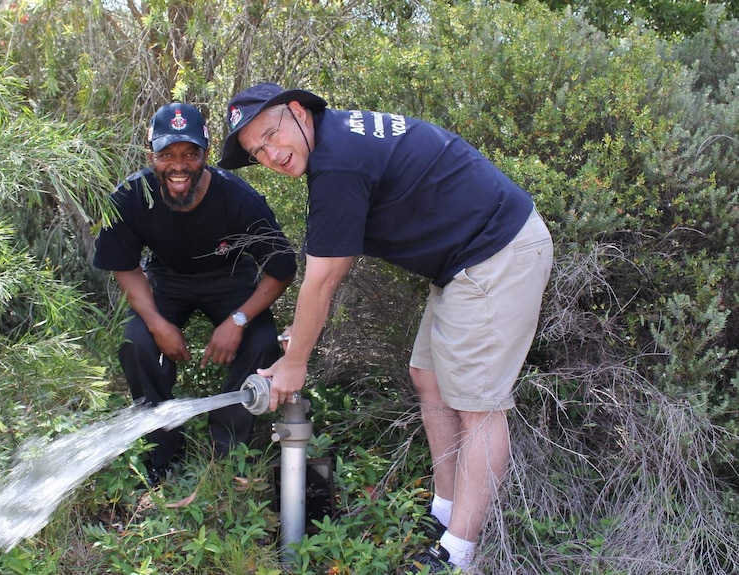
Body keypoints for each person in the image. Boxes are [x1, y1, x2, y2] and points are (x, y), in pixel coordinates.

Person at [218, 83, 553, 573]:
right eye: (257, 151)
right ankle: (444, 512)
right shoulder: (334, 143)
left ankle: (459, 553)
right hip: (465, 262)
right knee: (429, 378)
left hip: (496, 254)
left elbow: (324, 279)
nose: (271, 155)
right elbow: (326, 271)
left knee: (478, 407)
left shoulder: (338, 165)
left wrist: (294, 365)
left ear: (297, 112)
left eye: (272, 135)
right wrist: (299, 338)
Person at [94, 102, 297, 487]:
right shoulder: (131, 197)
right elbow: (126, 268)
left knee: (261, 343)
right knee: (136, 341)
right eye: (167, 154)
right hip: (167, 281)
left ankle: (228, 452)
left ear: (206, 152)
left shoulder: (238, 198)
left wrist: (238, 320)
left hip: (232, 281)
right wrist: (157, 325)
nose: (179, 165)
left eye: (190, 153)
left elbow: (281, 270)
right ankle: (161, 454)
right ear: (151, 153)